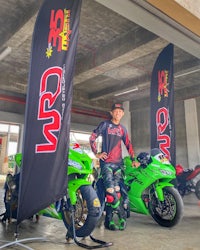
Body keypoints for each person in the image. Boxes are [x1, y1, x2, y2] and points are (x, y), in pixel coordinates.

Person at [89, 103, 139, 231]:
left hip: (119, 164)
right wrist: (97, 154)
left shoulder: (122, 129)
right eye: (115, 111)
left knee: (116, 192)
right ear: (111, 113)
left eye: (120, 111)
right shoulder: (105, 125)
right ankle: (122, 216)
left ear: (122, 114)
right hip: (107, 164)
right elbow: (92, 137)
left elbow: (128, 144)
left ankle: (109, 221)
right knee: (110, 192)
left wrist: (133, 159)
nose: (118, 113)